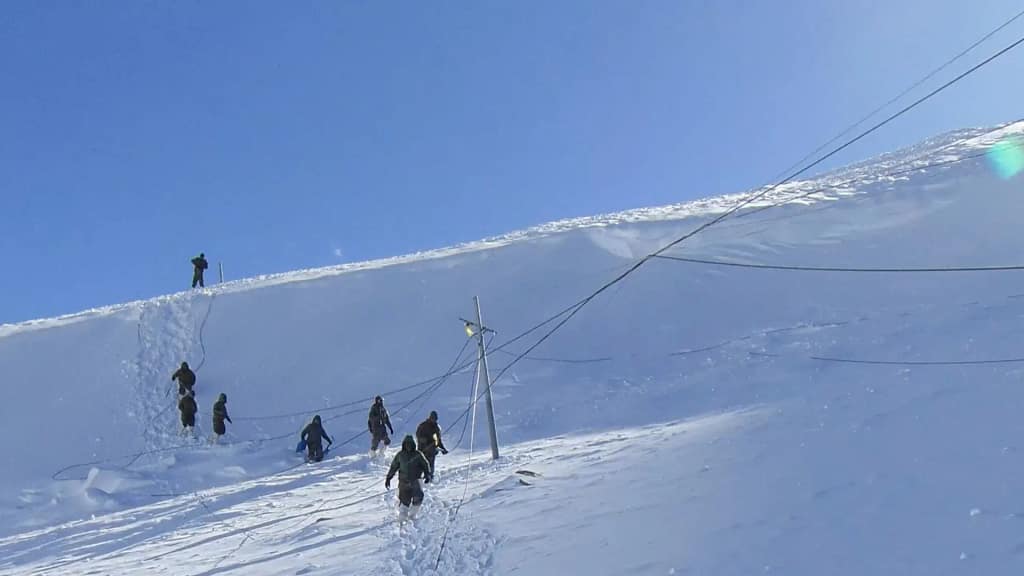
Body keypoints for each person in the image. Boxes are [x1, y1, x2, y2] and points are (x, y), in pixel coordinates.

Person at [385, 435, 433, 522]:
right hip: (404, 482)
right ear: (404, 445)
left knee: (418, 497)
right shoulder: (400, 455)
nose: (408, 446)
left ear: (413, 445)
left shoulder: (418, 454)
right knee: (404, 500)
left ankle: (412, 514)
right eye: (407, 444)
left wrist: (427, 474)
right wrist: (388, 478)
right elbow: (394, 467)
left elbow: (425, 464)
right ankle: (402, 517)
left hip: (415, 480)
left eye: (410, 444)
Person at [415, 410, 449, 476]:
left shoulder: (436, 428)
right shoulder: (423, 426)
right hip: (423, 450)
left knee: (430, 468)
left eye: (435, 419)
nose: (434, 420)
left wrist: (443, 449)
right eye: (433, 418)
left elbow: (438, 440)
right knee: (421, 467)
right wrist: (425, 441)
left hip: (431, 452)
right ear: (430, 417)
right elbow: (418, 436)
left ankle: (429, 479)